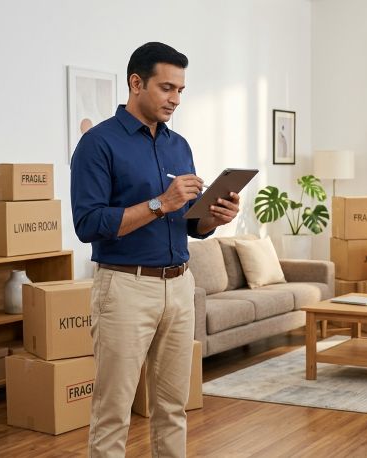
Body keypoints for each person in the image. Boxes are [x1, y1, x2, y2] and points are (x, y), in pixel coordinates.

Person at [71, 42, 240, 457]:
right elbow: (88, 224)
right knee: (114, 412)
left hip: (180, 287)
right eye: (167, 88)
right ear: (136, 82)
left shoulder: (177, 145)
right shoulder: (97, 144)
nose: (175, 100)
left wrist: (212, 218)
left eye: (180, 90)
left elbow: (185, 224)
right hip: (125, 289)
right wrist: (159, 202)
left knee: (173, 408)